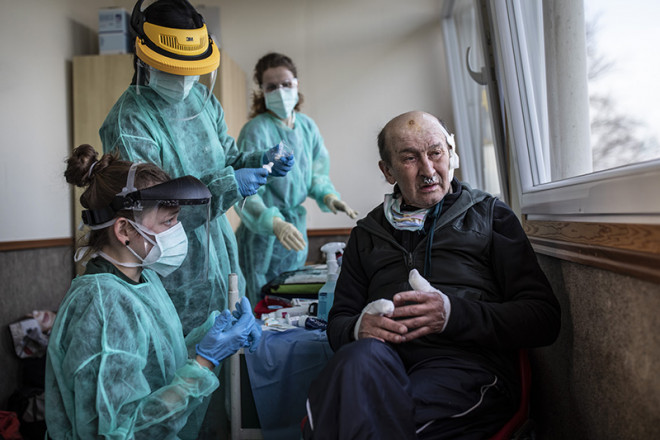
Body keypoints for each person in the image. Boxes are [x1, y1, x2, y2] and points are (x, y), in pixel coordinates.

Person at [304, 111, 561, 439]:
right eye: (409, 158)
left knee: (355, 421)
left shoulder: (490, 217)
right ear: (387, 171)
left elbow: (543, 319)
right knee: (355, 363)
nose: (428, 170)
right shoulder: (367, 233)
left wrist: (452, 314)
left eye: (435, 153)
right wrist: (358, 327)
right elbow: (338, 323)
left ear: (451, 154)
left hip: (464, 367)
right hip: (382, 362)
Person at [100, 0, 293, 335]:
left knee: (232, 371)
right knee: (186, 375)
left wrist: (260, 160)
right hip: (174, 279)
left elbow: (229, 159)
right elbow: (148, 213)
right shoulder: (129, 122)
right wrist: (227, 185)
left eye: (193, 70)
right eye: (176, 69)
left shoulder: (203, 102)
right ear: (145, 56)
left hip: (223, 264)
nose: (187, 80)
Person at [45, 144, 261, 439]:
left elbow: (159, 365)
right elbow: (114, 432)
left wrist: (210, 336)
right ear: (124, 230)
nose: (177, 231)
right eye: (168, 222)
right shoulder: (102, 306)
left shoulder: (143, 279)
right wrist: (204, 362)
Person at [234, 52, 358, 303]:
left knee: (290, 298)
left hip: (296, 225)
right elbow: (245, 189)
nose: (280, 91)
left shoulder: (307, 127)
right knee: (260, 299)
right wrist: (273, 222)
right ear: (262, 90)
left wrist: (329, 195)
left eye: (286, 84)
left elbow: (315, 173)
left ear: (296, 85)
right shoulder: (255, 131)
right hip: (261, 235)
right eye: (272, 86)